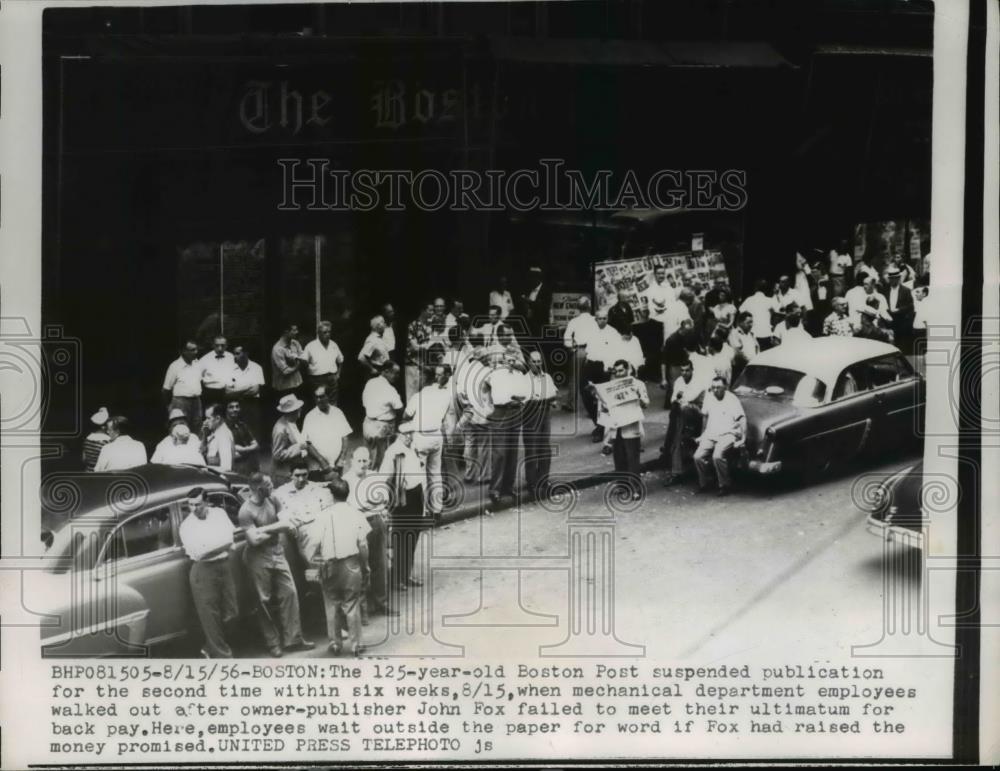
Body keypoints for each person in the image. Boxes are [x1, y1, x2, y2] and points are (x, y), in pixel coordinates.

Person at [238, 473, 314, 658]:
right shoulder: (246, 511)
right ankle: (273, 643)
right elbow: (254, 541)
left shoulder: (273, 499)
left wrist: (264, 529)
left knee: (290, 593)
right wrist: (277, 528)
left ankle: (293, 640)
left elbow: (287, 522)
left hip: (277, 552)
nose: (272, 487)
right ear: (258, 489)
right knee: (263, 600)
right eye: (268, 485)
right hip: (258, 558)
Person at [294, 474, 370, 656]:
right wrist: (365, 565)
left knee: (331, 603)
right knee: (352, 604)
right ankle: (356, 644)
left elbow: (311, 544)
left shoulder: (322, 516)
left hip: (329, 564)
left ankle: (335, 643)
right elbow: (363, 544)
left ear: (332, 495)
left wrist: (314, 563)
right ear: (347, 494)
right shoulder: (356, 514)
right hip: (351, 563)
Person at [178, 487, 237, 658]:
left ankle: (210, 647)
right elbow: (198, 553)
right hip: (203, 570)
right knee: (210, 617)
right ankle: (223, 657)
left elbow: (230, 539)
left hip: (224, 566)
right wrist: (222, 545)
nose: (194, 509)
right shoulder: (187, 525)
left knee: (232, 611)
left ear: (206, 502)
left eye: (198, 504)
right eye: (190, 505)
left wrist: (215, 547)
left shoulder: (219, 514)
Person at [342, 447, 399, 619]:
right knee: (359, 566)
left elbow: (384, 499)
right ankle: (362, 609)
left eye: (365, 461)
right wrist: (370, 503)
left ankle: (382, 603)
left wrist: (370, 505)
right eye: (359, 461)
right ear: (352, 461)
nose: (362, 464)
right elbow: (351, 506)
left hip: (376, 521)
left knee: (380, 564)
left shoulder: (375, 476)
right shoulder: (346, 480)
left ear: (369, 461)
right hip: (357, 525)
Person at [403, 364, 454, 517]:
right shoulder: (445, 395)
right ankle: (437, 508)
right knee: (435, 473)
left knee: (421, 474)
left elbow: (406, 414)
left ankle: (424, 511)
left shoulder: (419, 395)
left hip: (422, 436)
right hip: (437, 435)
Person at [381, 422, 427, 591]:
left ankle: (406, 575)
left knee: (413, 536)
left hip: (416, 495)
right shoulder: (392, 452)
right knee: (401, 539)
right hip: (401, 499)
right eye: (405, 434)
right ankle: (396, 578)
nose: (408, 437)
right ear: (399, 435)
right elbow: (384, 478)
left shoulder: (412, 448)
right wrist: (386, 503)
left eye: (411, 433)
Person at [485, 352, 530, 510]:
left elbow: (525, 393)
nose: (511, 363)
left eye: (514, 360)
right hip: (501, 411)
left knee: (512, 450)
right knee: (499, 452)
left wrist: (518, 398)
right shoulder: (495, 374)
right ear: (503, 361)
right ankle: (495, 489)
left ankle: (508, 487)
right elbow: (486, 388)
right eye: (509, 360)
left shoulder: (518, 375)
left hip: (515, 411)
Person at [602, 359, 649, 502]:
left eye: (621, 370)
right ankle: (622, 485)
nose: (619, 374)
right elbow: (605, 407)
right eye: (616, 371)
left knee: (632, 459)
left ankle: (636, 488)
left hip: (631, 426)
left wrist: (638, 398)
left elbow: (646, 402)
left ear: (628, 369)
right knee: (619, 457)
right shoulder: (611, 386)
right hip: (616, 427)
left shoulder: (637, 384)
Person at [694, 376, 746, 496]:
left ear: (725, 387)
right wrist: (702, 434)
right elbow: (705, 416)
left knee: (717, 456)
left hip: (728, 433)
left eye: (718, 387)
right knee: (697, 456)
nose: (715, 390)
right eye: (713, 388)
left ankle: (725, 484)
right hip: (712, 432)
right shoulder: (709, 397)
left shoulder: (732, 399)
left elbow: (742, 418)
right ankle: (705, 483)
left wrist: (743, 438)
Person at [455, 335, 493, 484]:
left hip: (468, 411)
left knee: (469, 444)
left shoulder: (466, 370)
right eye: (486, 356)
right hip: (483, 413)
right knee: (483, 446)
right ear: (482, 357)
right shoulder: (486, 371)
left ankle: (469, 474)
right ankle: (484, 476)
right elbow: (494, 390)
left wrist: (465, 404)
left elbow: (459, 390)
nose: (488, 358)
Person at [662, 360, 706, 486]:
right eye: (682, 370)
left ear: (692, 370)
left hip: (698, 412)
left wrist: (680, 398)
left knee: (684, 408)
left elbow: (689, 398)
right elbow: (673, 399)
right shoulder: (679, 381)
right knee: (677, 437)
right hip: (683, 413)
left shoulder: (699, 380)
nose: (684, 373)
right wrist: (679, 399)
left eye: (687, 370)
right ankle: (677, 472)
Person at [271, 393, 328, 485]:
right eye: (298, 409)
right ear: (293, 412)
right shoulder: (280, 429)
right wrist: (299, 447)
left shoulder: (291, 422)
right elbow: (277, 455)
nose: (300, 410)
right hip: (286, 475)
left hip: (297, 467)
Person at [523, 350, 557, 499]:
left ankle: (543, 478)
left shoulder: (547, 377)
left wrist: (553, 400)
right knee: (532, 448)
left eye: (539, 361)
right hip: (531, 414)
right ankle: (532, 481)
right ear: (529, 363)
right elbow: (523, 399)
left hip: (545, 412)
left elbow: (553, 393)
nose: (537, 364)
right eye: (534, 361)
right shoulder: (525, 379)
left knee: (545, 446)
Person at [582, 308, 620, 440]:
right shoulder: (591, 331)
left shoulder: (613, 333)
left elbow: (615, 352)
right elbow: (588, 349)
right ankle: (598, 423)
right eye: (600, 318)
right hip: (591, 365)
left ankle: (601, 428)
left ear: (607, 319)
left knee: (602, 398)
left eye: (605, 318)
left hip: (604, 368)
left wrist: (609, 369)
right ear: (595, 319)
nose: (602, 321)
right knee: (586, 394)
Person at [362, 361, 404, 470]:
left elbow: (364, 403)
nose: (397, 376)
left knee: (368, 459)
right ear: (385, 372)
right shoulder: (390, 389)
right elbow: (400, 409)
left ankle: (368, 481)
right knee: (382, 463)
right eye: (395, 373)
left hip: (368, 424)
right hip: (382, 428)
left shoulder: (370, 382)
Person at [302, 385, 352, 474]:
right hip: (319, 466)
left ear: (328, 396)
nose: (318, 400)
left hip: (337, 464)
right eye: (316, 397)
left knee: (339, 486)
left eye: (321, 397)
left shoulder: (337, 412)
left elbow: (345, 436)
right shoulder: (310, 417)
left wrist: (342, 459)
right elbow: (307, 442)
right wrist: (321, 461)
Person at [563, 296, 599, 413]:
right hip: (594, 350)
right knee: (593, 378)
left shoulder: (574, 321)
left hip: (579, 350)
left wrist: (571, 348)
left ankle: (571, 404)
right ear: (589, 307)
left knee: (574, 378)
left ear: (578, 307)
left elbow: (566, 338)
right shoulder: (596, 320)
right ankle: (596, 404)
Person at [225, 344, 265, 440]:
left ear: (246, 353)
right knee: (237, 429)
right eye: (234, 354)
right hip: (236, 404)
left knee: (254, 429)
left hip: (252, 403)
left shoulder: (257, 368)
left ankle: (254, 452)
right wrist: (247, 387)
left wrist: (236, 391)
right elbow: (227, 392)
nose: (234, 356)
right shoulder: (230, 369)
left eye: (238, 353)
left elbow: (255, 390)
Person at [162, 340, 204, 428]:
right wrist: (169, 406)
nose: (196, 352)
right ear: (183, 351)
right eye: (192, 350)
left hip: (196, 401)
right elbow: (166, 390)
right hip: (180, 402)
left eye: (196, 349)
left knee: (197, 427)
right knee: (180, 427)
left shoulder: (197, 364)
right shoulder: (174, 366)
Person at [303, 321, 345, 404]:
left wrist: (338, 374)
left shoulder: (333, 345)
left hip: (332, 379)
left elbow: (341, 360)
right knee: (319, 404)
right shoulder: (310, 346)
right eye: (325, 332)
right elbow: (304, 362)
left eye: (329, 332)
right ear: (318, 333)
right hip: (317, 380)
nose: (328, 334)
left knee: (333, 403)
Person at [405, 302, 435, 400]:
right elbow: (413, 347)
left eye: (433, 310)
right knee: (412, 395)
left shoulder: (431, 327)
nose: (432, 312)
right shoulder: (412, 325)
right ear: (422, 311)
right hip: (413, 365)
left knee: (425, 395)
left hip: (426, 366)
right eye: (430, 310)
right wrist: (428, 346)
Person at [270, 323, 305, 402]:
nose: (297, 332)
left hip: (298, 384)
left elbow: (302, 356)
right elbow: (285, 371)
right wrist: (298, 366)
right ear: (286, 332)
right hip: (285, 388)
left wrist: (299, 360)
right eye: (294, 330)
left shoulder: (295, 343)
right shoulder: (277, 349)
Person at [884, 265, 915, 351]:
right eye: (891, 278)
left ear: (898, 278)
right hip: (890, 323)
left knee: (902, 347)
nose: (892, 280)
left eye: (895, 278)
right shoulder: (885, 290)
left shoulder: (906, 290)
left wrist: (900, 310)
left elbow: (910, 306)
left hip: (902, 323)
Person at [199, 336, 235, 408]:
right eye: (217, 345)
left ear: (227, 345)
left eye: (223, 345)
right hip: (211, 394)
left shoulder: (231, 357)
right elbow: (198, 378)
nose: (220, 348)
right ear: (213, 345)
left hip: (228, 393)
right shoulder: (204, 359)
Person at [225, 400, 260, 474]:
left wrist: (245, 450)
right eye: (231, 407)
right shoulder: (223, 427)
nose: (235, 409)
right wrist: (249, 449)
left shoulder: (242, 425)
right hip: (233, 463)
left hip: (246, 459)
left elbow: (256, 444)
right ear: (226, 410)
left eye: (237, 407)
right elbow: (231, 447)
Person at [739, 279, 774, 352]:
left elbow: (741, 313)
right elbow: (778, 312)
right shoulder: (770, 300)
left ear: (755, 288)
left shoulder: (749, 300)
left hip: (753, 333)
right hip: (766, 333)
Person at [200, 403, 235, 471]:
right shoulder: (216, 432)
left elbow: (226, 468)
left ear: (217, 418)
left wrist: (205, 469)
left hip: (219, 479)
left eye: (208, 418)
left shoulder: (223, 436)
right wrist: (204, 435)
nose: (205, 422)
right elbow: (202, 452)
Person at [520, 266, 552, 338]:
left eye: (532, 277)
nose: (530, 279)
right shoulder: (528, 289)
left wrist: (529, 302)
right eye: (529, 277)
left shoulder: (546, 290)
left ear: (538, 278)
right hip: (529, 326)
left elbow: (544, 308)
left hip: (540, 326)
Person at [728, 311, 759, 381]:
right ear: (740, 323)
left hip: (752, 367)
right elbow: (738, 353)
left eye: (752, 322)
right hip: (740, 369)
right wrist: (751, 363)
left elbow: (757, 348)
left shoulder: (751, 334)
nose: (751, 325)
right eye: (748, 322)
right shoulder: (735, 334)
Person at [82, 407, 110, 471]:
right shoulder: (108, 440)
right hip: (101, 474)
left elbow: (84, 459)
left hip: (88, 472)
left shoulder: (87, 438)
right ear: (103, 427)